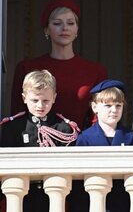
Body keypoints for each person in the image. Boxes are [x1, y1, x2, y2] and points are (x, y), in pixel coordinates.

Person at [11, 0, 107, 129]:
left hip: (83, 144)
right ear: (46, 30)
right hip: (36, 144)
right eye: (57, 23)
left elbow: (100, 116)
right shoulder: (27, 68)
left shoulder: (95, 71)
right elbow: (18, 116)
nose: (65, 28)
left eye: (71, 23)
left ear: (77, 29)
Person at [0, 69, 80, 211]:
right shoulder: (13, 127)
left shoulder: (64, 129)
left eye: (46, 101)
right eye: (35, 100)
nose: (40, 106)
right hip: (22, 196)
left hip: (53, 195)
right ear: (24, 98)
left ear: (54, 98)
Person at [76, 79, 133, 212]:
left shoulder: (132, 138)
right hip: (94, 202)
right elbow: (78, 181)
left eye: (118, 105)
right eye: (108, 105)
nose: (114, 110)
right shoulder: (85, 138)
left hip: (124, 202)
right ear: (95, 107)